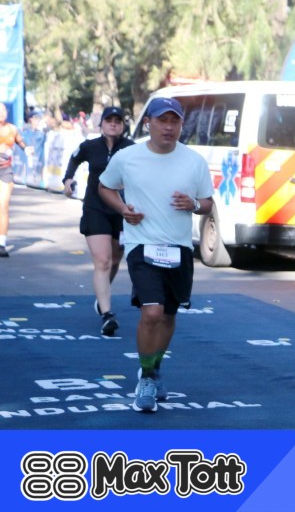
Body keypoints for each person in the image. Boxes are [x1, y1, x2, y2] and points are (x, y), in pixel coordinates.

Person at [98, 97, 214, 413]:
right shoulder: (127, 157)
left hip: (179, 248)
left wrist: (193, 204)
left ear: (181, 124)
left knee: (168, 316)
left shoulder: (194, 161)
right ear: (148, 122)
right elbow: (104, 187)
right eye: (162, 120)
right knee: (151, 312)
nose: (169, 127)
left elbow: (207, 202)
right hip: (142, 245)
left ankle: (155, 367)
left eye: (174, 121)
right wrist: (123, 209)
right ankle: (146, 378)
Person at [62, 106, 135, 335]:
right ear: (101, 124)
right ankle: (107, 314)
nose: (113, 124)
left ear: (123, 125)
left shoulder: (132, 149)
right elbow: (74, 159)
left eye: (117, 121)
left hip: (122, 211)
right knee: (102, 261)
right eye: (109, 120)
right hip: (95, 209)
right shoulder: (90, 146)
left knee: (114, 261)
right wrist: (68, 179)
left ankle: (102, 297)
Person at [0, 103, 32, 257]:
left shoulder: (12, 129)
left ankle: (1, 244)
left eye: (3, 110)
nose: (2, 113)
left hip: (5, 171)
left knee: (3, 206)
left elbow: (20, 141)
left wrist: (26, 148)